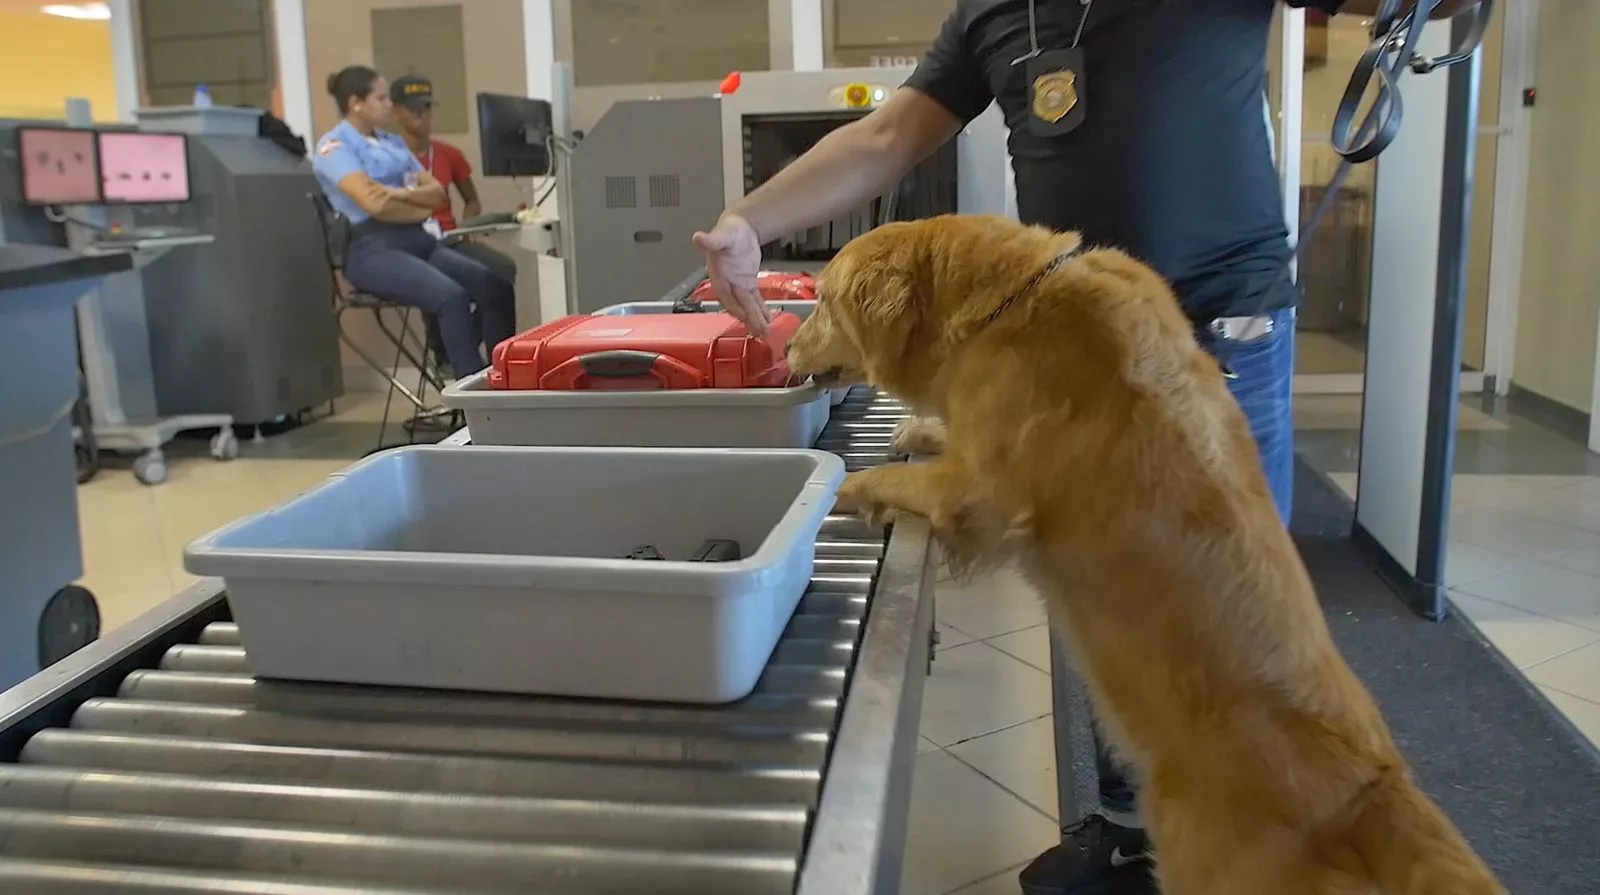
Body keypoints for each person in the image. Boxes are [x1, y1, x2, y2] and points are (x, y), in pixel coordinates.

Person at [692, 1, 1481, 893]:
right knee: (1100, 575)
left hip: (1223, 319)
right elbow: (886, 136)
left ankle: (1273, 828)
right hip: (1065, 316)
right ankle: (1129, 832)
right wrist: (748, 223)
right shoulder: (990, 10)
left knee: (1229, 618)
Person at [311, 65, 515, 379]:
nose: (389, 105)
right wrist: (413, 200)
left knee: (495, 286)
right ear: (356, 103)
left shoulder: (392, 142)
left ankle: (505, 378)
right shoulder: (334, 147)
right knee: (452, 297)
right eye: (380, 98)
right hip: (371, 250)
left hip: (417, 239)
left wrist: (396, 195)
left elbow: (436, 194)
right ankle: (474, 400)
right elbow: (372, 203)